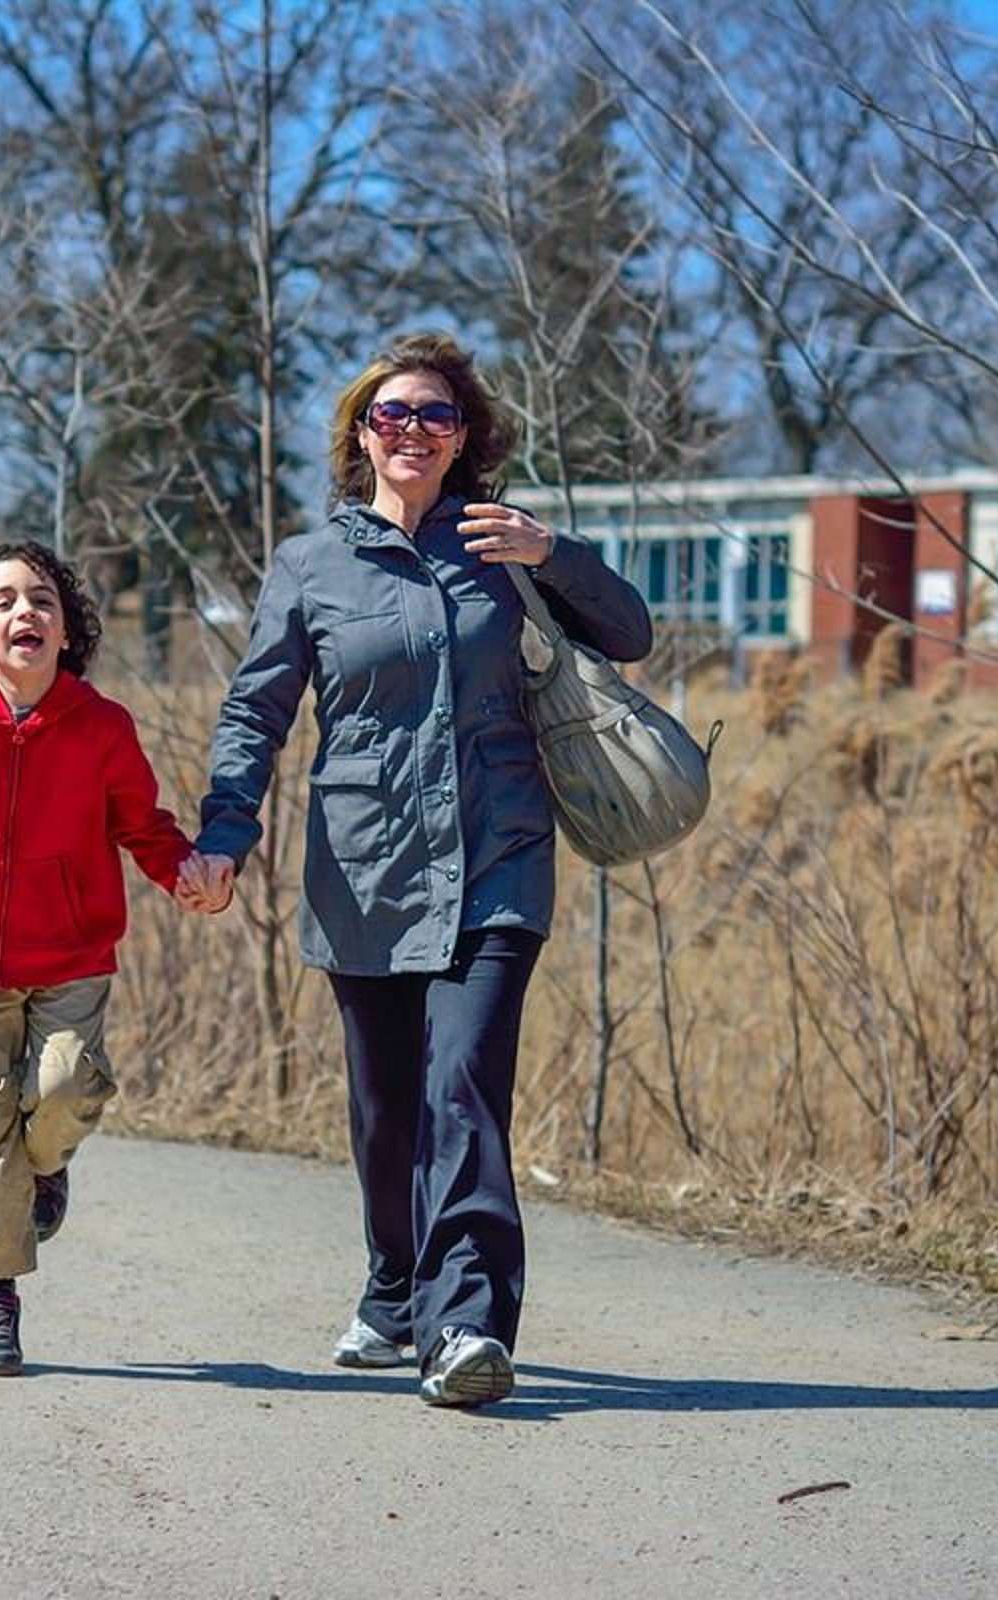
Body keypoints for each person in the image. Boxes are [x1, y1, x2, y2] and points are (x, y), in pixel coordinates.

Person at [183, 332, 653, 1409]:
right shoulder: (310, 567)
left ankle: (465, 1327)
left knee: (462, 1087)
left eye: (434, 415)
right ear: (360, 435)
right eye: (391, 414)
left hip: (499, 859)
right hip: (366, 869)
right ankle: (394, 1282)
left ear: (464, 440)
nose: (412, 430)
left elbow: (630, 631)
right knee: (388, 1107)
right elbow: (257, 711)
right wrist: (224, 834)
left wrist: (553, 553)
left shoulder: (502, 544)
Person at [0, 540, 213, 1377]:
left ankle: (47, 1169)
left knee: (58, 1092)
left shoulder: (101, 726)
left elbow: (144, 824)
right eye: (5, 601)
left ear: (68, 631)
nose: (27, 613)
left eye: (44, 601)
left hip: (75, 955)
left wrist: (187, 875)